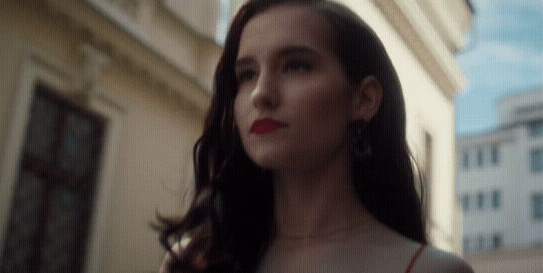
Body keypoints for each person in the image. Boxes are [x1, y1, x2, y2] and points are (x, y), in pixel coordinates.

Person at [158, 0, 473, 272]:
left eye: (297, 66)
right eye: (247, 74)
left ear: (364, 99)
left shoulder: (433, 270)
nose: (260, 94)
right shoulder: (193, 261)